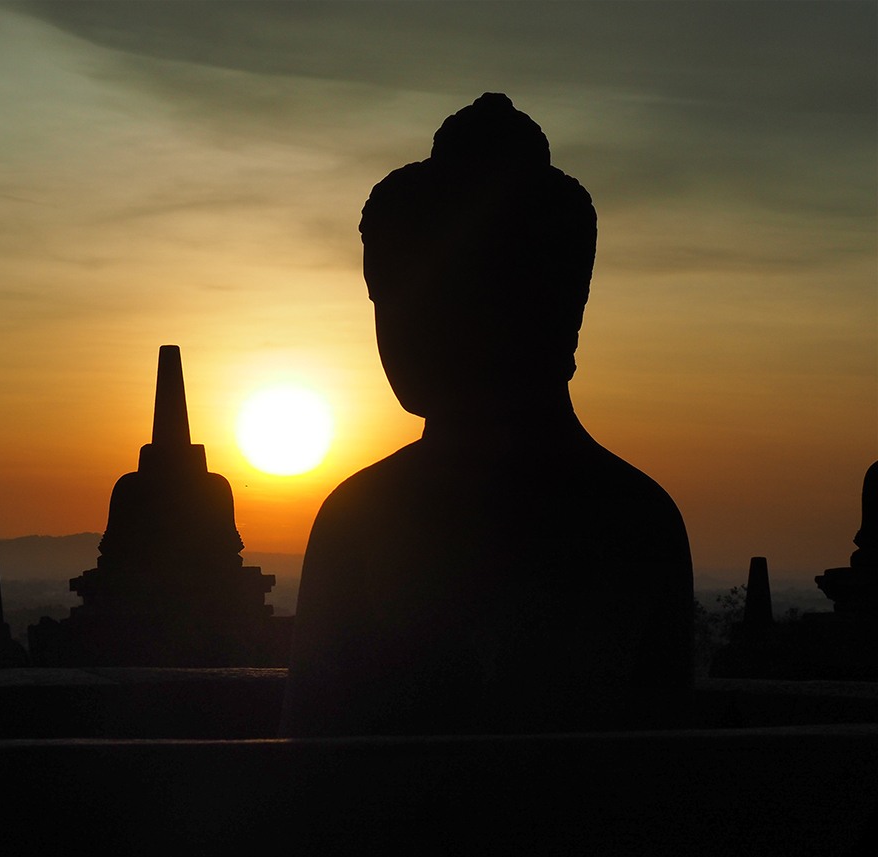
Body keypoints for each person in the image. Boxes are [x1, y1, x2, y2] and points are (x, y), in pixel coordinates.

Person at [281, 94, 693, 737]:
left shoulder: (361, 519)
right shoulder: (641, 519)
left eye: (416, 301)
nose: (392, 332)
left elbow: (308, 769)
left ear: (543, 306)